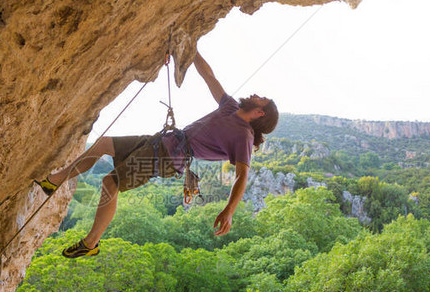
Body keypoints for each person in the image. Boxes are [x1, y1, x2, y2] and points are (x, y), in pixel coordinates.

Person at [35, 50, 279, 258]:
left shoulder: (243, 136)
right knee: (102, 144)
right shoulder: (230, 107)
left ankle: (91, 243)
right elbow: (209, 76)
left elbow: (241, 176)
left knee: (110, 182)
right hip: (162, 141)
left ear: (260, 113)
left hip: (168, 158)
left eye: (261, 99)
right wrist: (190, 49)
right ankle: (54, 181)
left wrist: (229, 210)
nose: (255, 95)